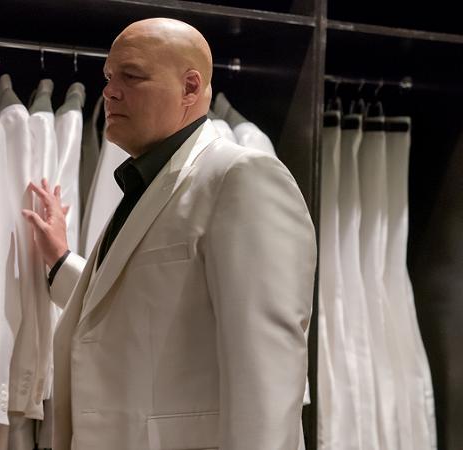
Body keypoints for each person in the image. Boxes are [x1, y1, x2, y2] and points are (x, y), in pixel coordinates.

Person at [22, 17, 316, 450]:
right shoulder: (147, 182)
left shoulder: (241, 177)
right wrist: (62, 263)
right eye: (108, 77)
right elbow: (147, 301)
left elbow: (268, 373)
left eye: (131, 76)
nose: (109, 92)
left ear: (190, 87)